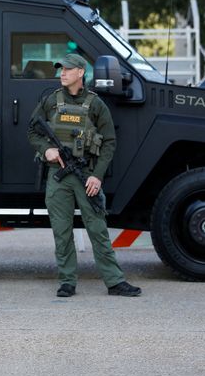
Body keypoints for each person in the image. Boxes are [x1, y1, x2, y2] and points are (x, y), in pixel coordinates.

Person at [27, 53, 141, 298]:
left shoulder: (96, 104)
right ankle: (67, 281)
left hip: (86, 175)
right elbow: (32, 131)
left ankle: (114, 281)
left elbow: (109, 142)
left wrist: (97, 176)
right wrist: (46, 149)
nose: (62, 73)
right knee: (61, 230)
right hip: (58, 176)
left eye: (67, 69)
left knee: (98, 229)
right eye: (61, 69)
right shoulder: (51, 100)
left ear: (80, 72)